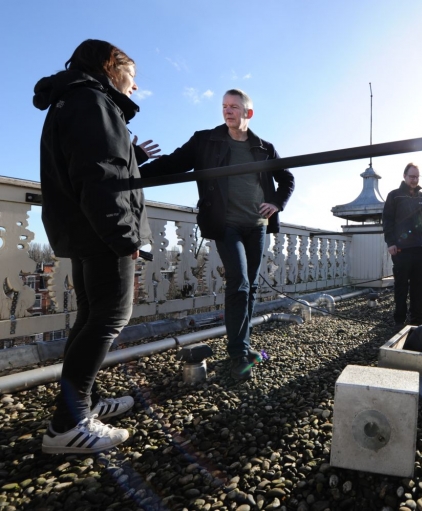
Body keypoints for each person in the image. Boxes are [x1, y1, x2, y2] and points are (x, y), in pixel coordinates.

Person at [33, 39, 152, 453]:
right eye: (131, 76)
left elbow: (95, 165)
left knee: (90, 317)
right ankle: (68, 425)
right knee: (108, 317)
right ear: (109, 66)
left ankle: (84, 402)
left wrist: (131, 154)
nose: (134, 86)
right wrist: (124, 236)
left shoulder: (72, 100)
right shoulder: (92, 101)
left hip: (82, 228)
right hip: (100, 231)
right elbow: (98, 179)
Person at [140, 89, 295, 381]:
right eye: (224, 106)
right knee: (238, 282)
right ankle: (237, 355)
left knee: (250, 288)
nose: (228, 111)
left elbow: (287, 178)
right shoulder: (205, 140)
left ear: (248, 113)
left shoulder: (264, 147)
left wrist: (276, 203)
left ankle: (244, 346)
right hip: (225, 225)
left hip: (257, 226)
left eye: (234, 107)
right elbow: (173, 163)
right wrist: (134, 172)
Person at [383, 163, 422, 326]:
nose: (414, 180)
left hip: (419, 248)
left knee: (419, 285)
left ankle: (417, 318)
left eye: (417, 176)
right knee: (401, 286)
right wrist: (390, 242)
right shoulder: (394, 196)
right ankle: (399, 318)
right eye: (412, 176)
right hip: (400, 249)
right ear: (404, 176)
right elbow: (387, 220)